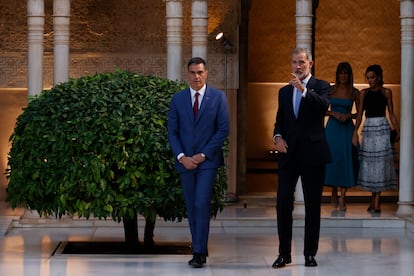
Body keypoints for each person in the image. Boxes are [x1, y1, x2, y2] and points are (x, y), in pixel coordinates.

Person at [167, 57, 230, 268]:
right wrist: (181, 157)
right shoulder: (178, 99)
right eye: (193, 73)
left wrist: (203, 155)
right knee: (192, 206)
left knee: (202, 203)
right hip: (185, 162)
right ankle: (198, 246)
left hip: (207, 162)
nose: (197, 76)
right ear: (188, 74)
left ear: (206, 73)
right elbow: (172, 132)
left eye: (200, 72)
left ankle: (199, 252)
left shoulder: (218, 97)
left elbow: (223, 130)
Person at [272, 48, 331, 268]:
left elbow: (323, 106)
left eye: (302, 63)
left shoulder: (321, 86)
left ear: (310, 64)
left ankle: (309, 254)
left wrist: (304, 90)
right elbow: (280, 120)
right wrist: (277, 136)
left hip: (313, 155)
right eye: (294, 62)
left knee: (312, 205)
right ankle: (283, 254)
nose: (297, 66)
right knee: (283, 203)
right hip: (288, 155)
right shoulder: (284, 92)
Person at [352, 64, 399, 213]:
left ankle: (377, 202)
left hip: (382, 128)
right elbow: (359, 115)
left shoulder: (386, 92)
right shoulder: (363, 93)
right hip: (369, 129)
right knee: (370, 165)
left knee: (380, 164)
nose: (370, 80)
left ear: (379, 77)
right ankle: (373, 201)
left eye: (372, 77)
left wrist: (398, 129)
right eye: (368, 78)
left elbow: (391, 113)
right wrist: (355, 132)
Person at [324, 62, 360, 211]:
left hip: (346, 129)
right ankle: (333, 189)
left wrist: (348, 116)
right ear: (337, 74)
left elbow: (359, 113)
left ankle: (342, 198)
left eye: (346, 73)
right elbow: (322, 109)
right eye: (341, 73)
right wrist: (333, 113)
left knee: (346, 160)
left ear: (350, 75)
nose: (343, 76)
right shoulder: (330, 90)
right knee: (332, 159)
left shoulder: (355, 92)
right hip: (332, 128)